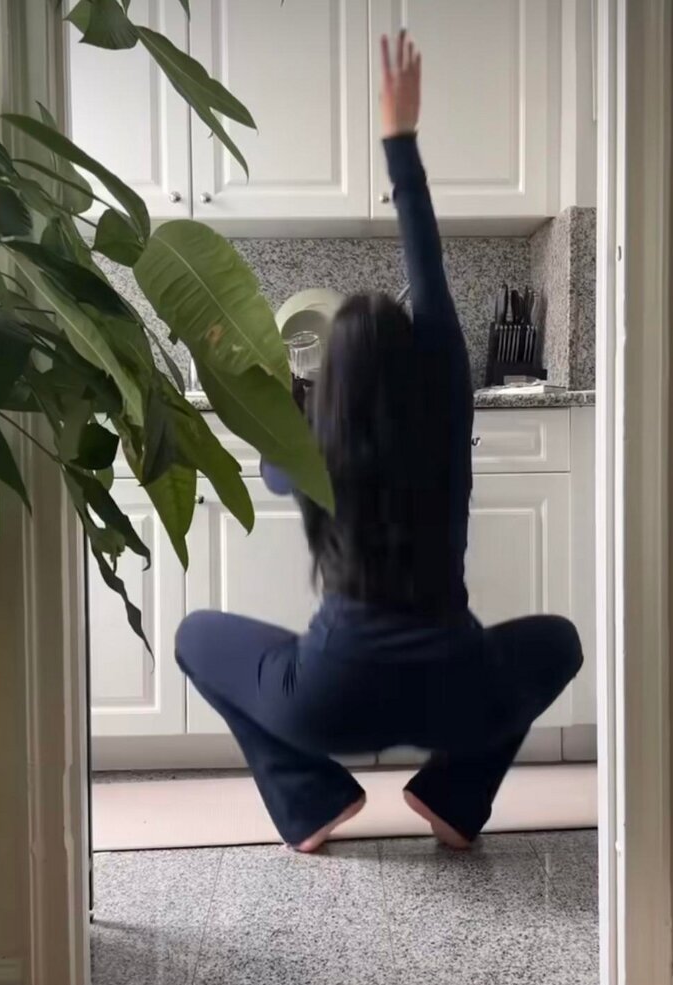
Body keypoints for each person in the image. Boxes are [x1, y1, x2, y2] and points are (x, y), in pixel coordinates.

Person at [176, 31, 583, 854]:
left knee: (193, 637)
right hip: (455, 695)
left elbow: (268, 455)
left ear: (332, 388)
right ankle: (455, 795)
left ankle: (311, 798)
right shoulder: (445, 415)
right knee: (560, 642)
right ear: (422, 365)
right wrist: (400, 139)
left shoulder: (310, 452)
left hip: (332, 701)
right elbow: (429, 274)